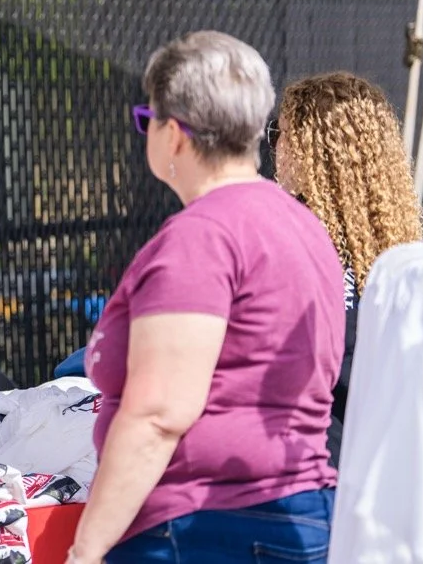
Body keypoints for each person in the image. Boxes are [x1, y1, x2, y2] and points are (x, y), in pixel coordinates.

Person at [68, 31, 344, 564]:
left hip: (204, 526)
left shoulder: (202, 237)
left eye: (146, 120)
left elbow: (158, 413)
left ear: (173, 134)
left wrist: (88, 547)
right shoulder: (300, 223)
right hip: (292, 510)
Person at [271, 71, 423, 465]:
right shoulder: (395, 244)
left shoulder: (294, 238)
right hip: (388, 461)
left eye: (283, 133)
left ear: (312, 151)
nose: (277, 147)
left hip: (314, 468)